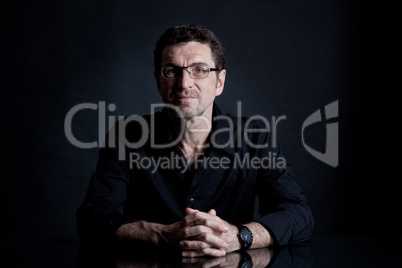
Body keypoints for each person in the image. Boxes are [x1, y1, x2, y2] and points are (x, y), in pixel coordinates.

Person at [76, 24, 314, 258]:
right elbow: (92, 218)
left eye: (199, 69)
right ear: (158, 82)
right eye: (171, 70)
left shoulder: (255, 137)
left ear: (219, 81)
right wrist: (161, 234)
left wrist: (239, 236)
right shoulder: (127, 136)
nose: (184, 83)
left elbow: (298, 214)